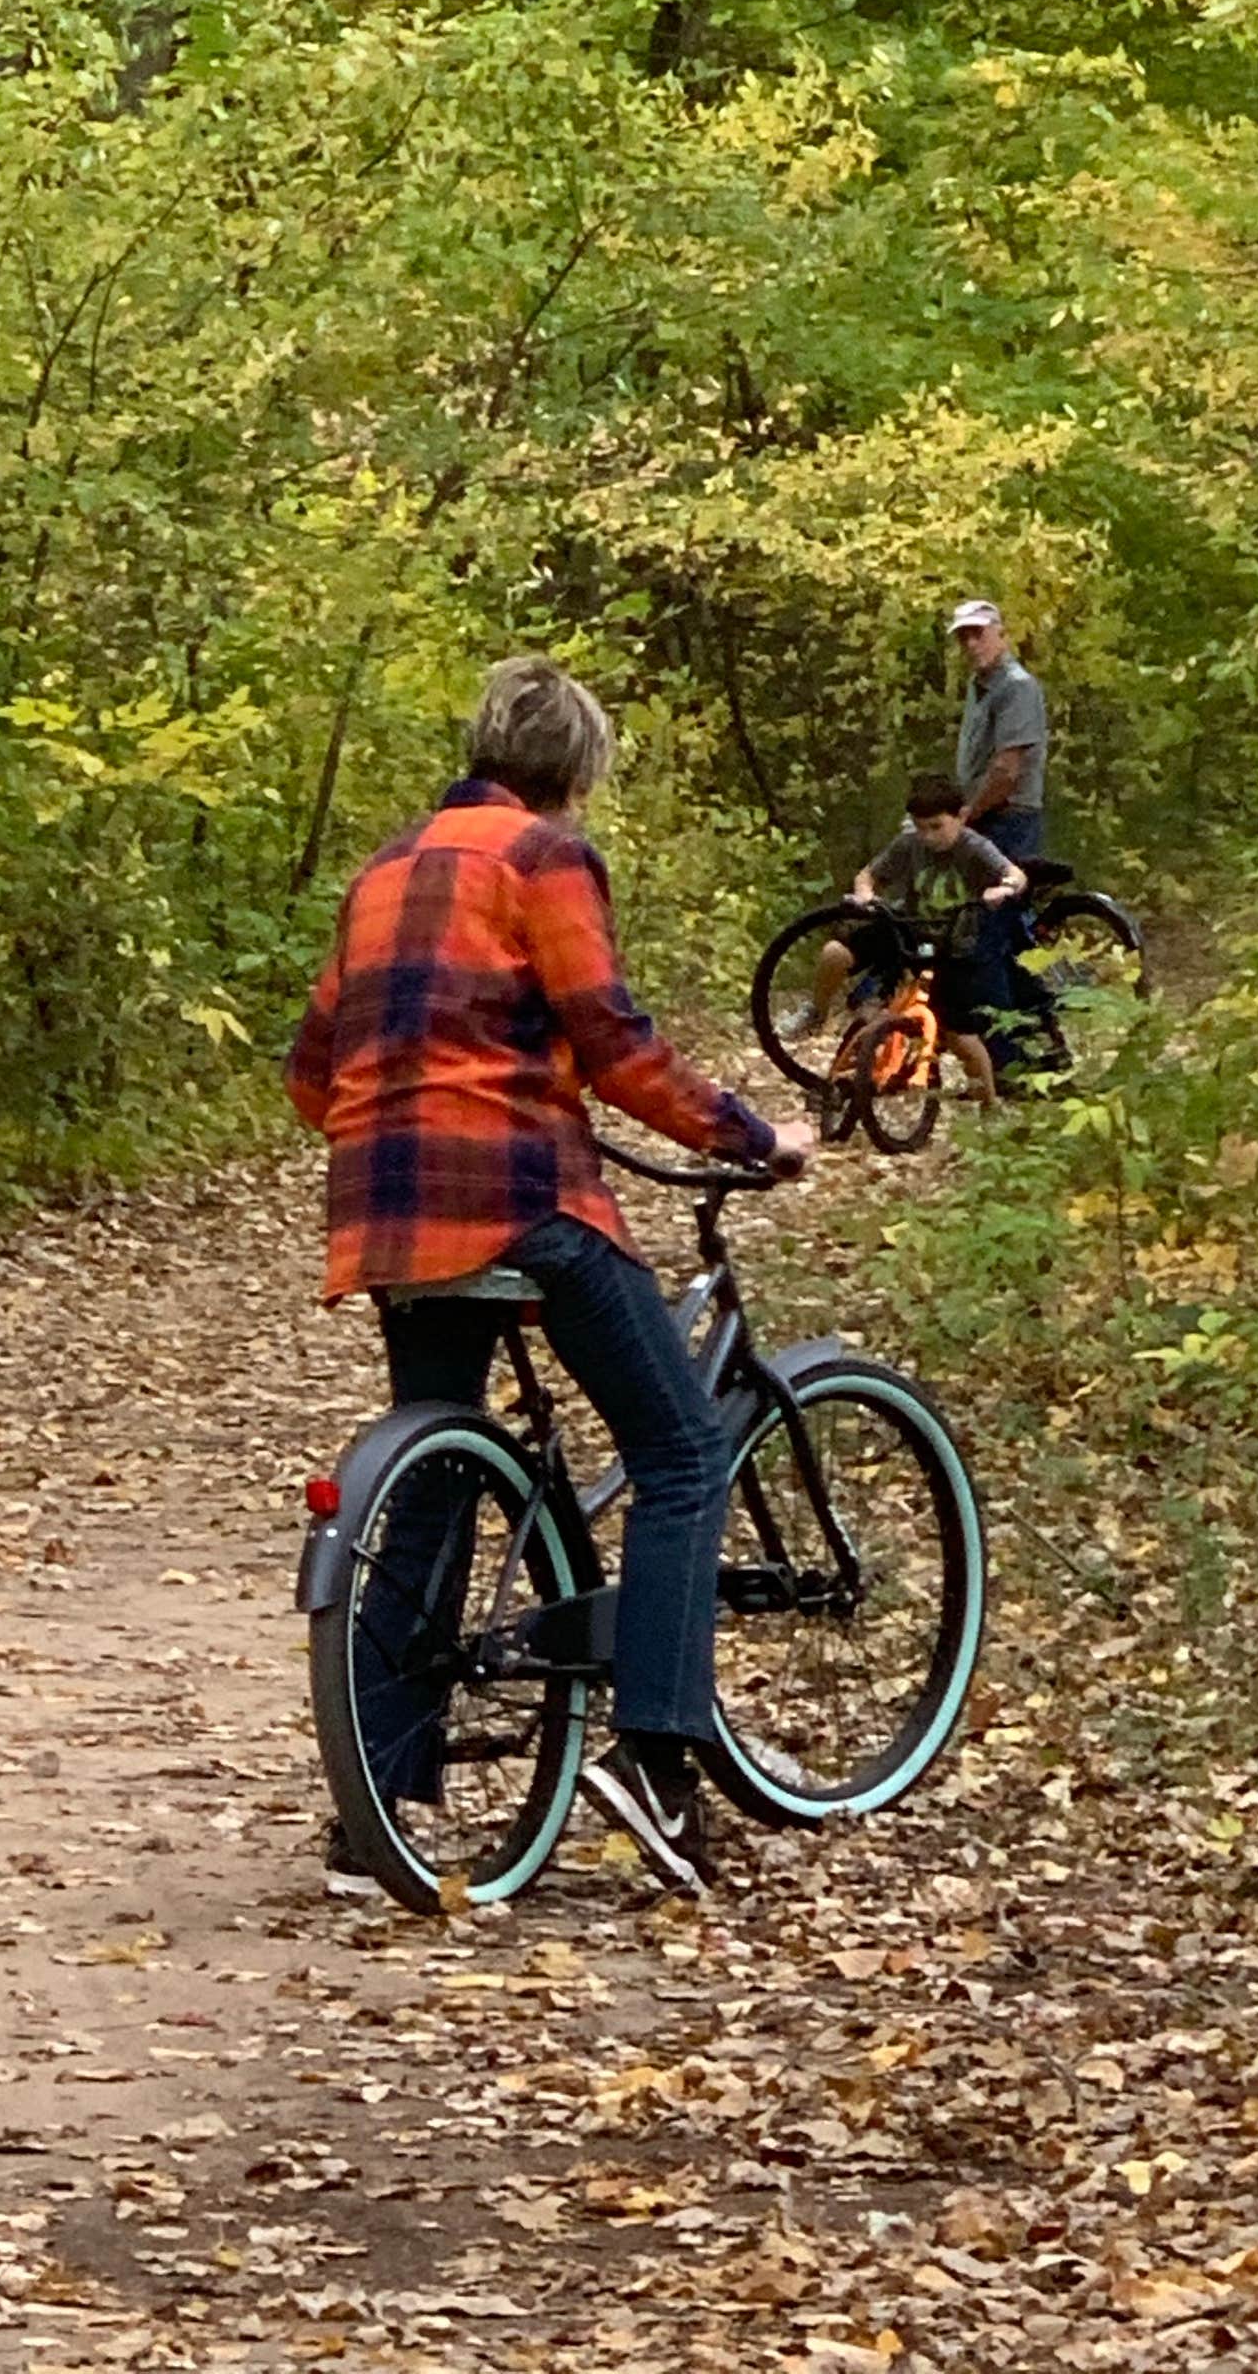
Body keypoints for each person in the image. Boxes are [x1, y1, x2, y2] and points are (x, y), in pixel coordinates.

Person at [285, 653, 815, 1897]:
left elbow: (312, 1076)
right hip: (521, 1201)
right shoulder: (544, 857)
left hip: (386, 1215)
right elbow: (614, 1043)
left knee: (432, 1480)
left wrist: (408, 1115)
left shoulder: (383, 870)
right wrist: (750, 1136)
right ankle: (658, 1761)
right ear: (576, 771)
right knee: (682, 1451)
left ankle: (375, 1814)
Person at [810, 772, 1027, 1099]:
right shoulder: (908, 844)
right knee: (835, 954)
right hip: (905, 931)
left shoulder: (974, 847)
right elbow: (867, 875)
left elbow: (1015, 874)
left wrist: (1004, 888)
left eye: (936, 827)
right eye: (920, 827)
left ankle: (988, 1103)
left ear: (961, 817)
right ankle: (817, 1015)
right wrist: (865, 895)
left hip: (951, 946)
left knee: (961, 1037)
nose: (928, 836)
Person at [949, 598, 1059, 1066]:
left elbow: (1006, 770)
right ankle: (1041, 1038)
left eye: (979, 632)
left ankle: (1006, 1060)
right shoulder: (979, 688)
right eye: (964, 636)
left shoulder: (1017, 687)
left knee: (986, 938)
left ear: (1000, 633)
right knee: (1003, 935)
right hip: (983, 817)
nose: (972, 643)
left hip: (1008, 819)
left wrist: (966, 816)